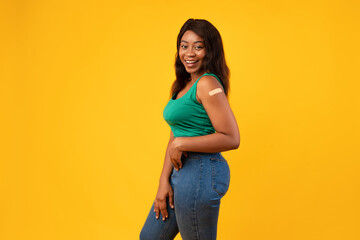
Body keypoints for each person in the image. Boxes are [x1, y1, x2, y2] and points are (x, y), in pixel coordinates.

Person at [140, 18, 240, 240]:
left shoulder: (207, 84)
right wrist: (163, 181)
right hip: (180, 173)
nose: (189, 53)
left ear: (210, 50)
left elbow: (232, 138)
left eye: (198, 46)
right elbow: (175, 133)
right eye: (184, 46)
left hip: (202, 171)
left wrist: (182, 143)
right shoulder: (183, 85)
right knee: (150, 237)